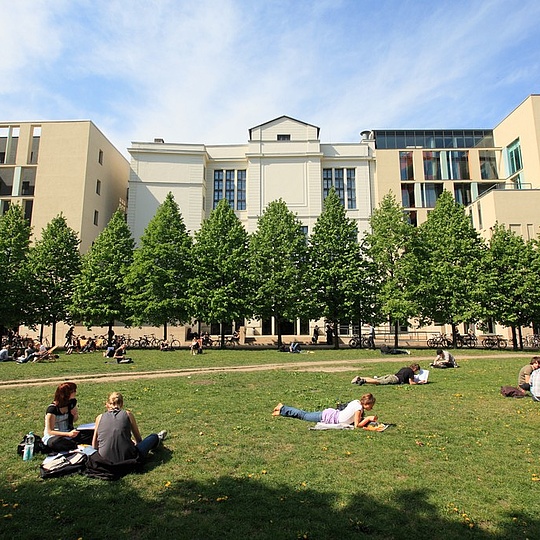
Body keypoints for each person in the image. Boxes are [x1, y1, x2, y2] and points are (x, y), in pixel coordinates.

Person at [92, 391, 166, 462]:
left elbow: (94, 444)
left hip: (104, 460)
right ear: (122, 404)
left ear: (107, 404)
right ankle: (157, 438)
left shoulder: (99, 417)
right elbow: (139, 440)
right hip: (128, 458)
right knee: (153, 437)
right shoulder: (127, 414)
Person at [272, 393, 377, 429]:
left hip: (331, 414)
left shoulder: (357, 402)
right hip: (328, 417)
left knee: (305, 414)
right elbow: (357, 425)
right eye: (371, 406)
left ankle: (281, 412)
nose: (371, 409)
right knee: (303, 415)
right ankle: (282, 407)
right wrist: (368, 418)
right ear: (366, 404)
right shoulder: (358, 409)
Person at [43, 382, 87, 452]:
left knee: (89, 433)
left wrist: (75, 415)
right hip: (55, 436)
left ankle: (73, 444)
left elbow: (74, 420)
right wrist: (68, 434)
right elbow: (50, 431)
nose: (75, 393)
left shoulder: (71, 403)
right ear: (66, 394)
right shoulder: (52, 409)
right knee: (55, 443)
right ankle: (76, 446)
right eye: (73, 391)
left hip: (69, 432)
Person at [351, 363, 426, 386]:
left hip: (391, 375)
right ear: (415, 369)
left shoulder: (404, 368)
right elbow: (411, 383)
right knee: (379, 382)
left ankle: (360, 377)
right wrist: (419, 382)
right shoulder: (411, 372)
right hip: (395, 379)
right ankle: (363, 381)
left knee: (376, 379)